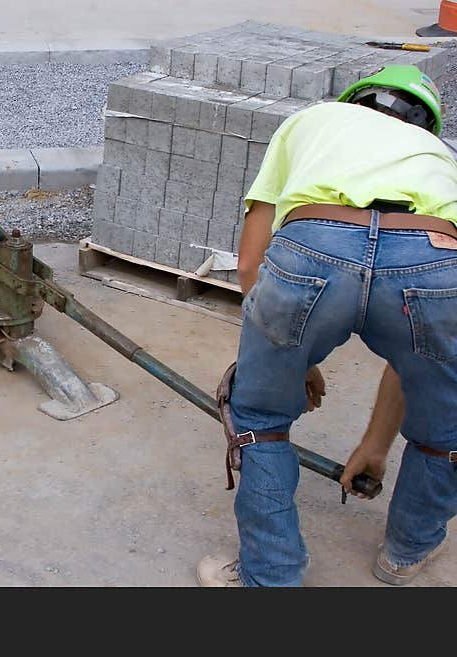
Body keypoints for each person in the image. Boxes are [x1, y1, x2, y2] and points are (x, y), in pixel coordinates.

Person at [196, 65, 457, 587]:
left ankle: (271, 578)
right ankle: (403, 556)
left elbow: (251, 265)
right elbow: (413, 361)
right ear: (426, 125)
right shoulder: (442, 159)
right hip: (432, 252)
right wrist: (375, 447)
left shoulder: (314, 121)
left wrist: (298, 359)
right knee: (444, 427)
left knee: (260, 419)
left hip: (316, 243)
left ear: (355, 101)